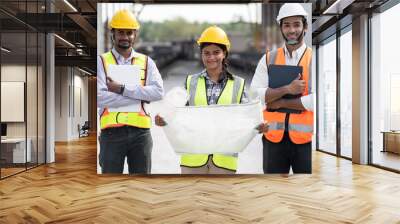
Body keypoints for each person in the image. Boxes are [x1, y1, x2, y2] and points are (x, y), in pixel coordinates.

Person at [155, 26, 268, 174]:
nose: (211, 57)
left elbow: (248, 118)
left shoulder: (238, 85)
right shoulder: (190, 83)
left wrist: (258, 126)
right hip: (193, 158)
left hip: (224, 159)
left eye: (216, 52)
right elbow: (175, 113)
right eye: (206, 53)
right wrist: (164, 119)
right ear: (201, 55)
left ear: (224, 54)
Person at [97, 9, 164, 174]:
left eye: (129, 33)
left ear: (135, 35)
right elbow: (99, 98)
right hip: (111, 134)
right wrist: (140, 96)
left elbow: (158, 92)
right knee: (111, 187)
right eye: (120, 32)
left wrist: (122, 89)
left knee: (140, 186)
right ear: (112, 33)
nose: (125, 37)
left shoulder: (147, 62)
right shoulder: (101, 61)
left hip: (141, 134)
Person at [250, 3, 313, 175]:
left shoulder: (314, 58)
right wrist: (287, 89)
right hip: (273, 139)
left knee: (307, 192)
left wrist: (279, 102)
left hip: (306, 142)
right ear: (281, 28)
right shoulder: (268, 59)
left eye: (296, 24)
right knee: (273, 191)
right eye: (286, 25)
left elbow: (317, 101)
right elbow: (255, 94)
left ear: (305, 27)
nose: (291, 30)